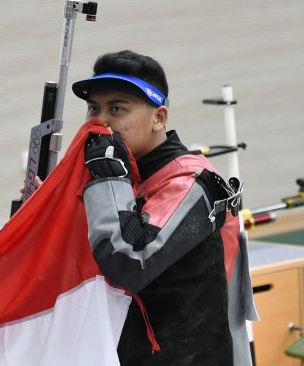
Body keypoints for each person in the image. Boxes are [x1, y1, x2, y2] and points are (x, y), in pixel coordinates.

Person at [72, 50, 255, 365]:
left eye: (116, 108)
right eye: (94, 108)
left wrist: (108, 179)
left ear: (159, 117)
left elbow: (129, 262)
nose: (100, 122)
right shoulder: (124, 176)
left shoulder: (193, 184)